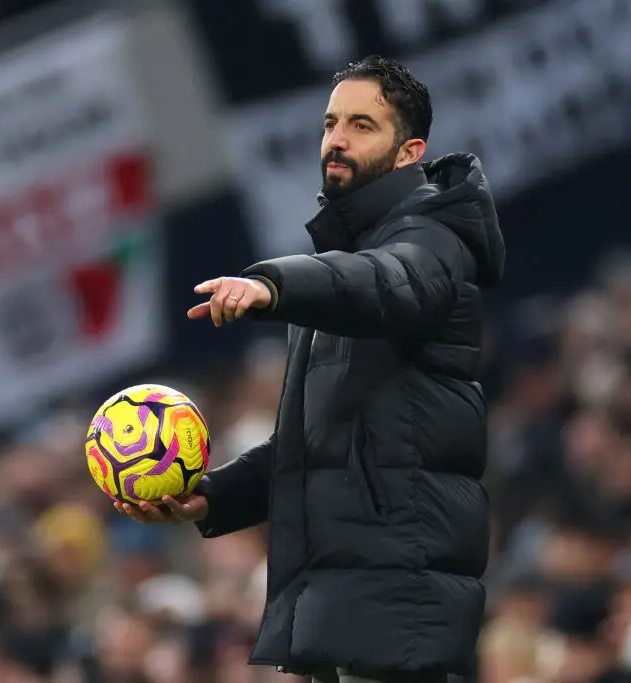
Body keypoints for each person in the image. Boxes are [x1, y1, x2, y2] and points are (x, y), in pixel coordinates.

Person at [117, 55, 506, 683]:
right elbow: (310, 448)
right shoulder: (338, 269)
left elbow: (393, 283)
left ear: (409, 152)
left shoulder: (435, 237)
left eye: (361, 125)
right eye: (330, 123)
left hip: (398, 594)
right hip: (351, 597)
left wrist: (273, 285)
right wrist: (212, 498)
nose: (337, 139)